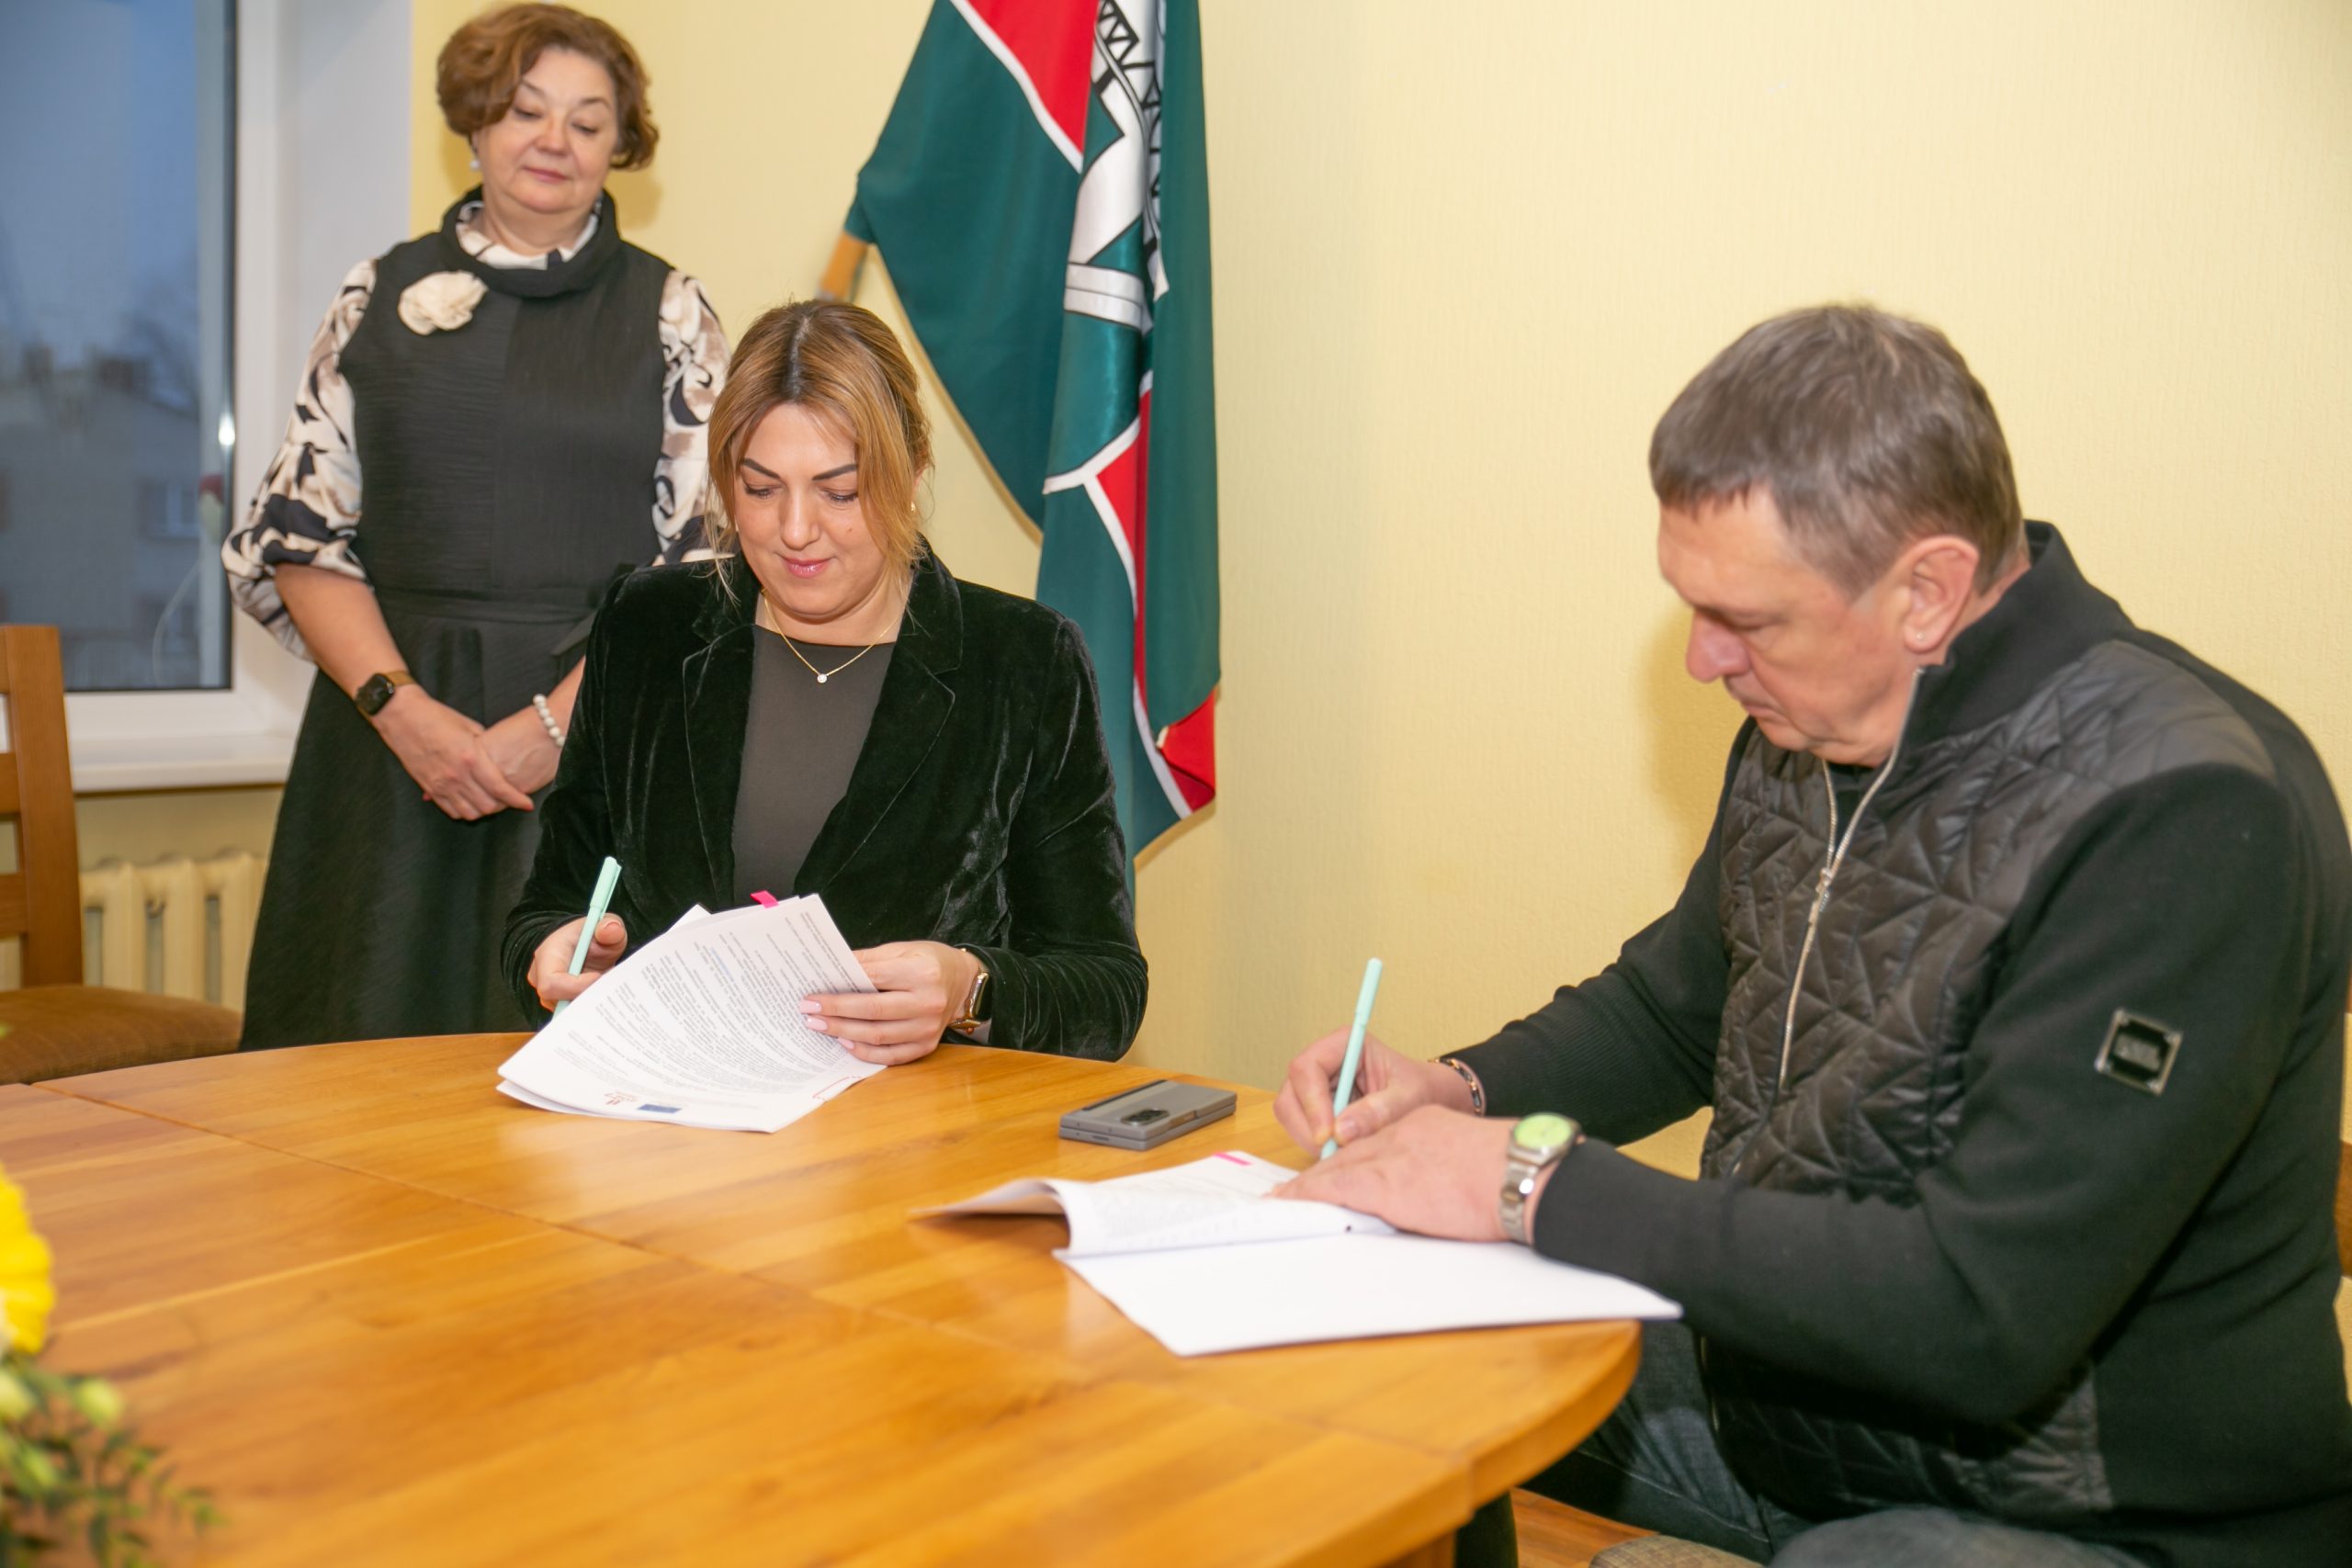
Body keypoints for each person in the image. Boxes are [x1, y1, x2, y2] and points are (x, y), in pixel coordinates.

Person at [1274, 306, 2352, 1566]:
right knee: (1401, 1348)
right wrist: (1458, 1090)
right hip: (1791, 1405)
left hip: (2100, 1514)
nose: (1701, 660)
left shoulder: (2185, 808)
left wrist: (1531, 1182)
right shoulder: (1812, 718)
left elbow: (1982, 1310)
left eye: (1748, 619)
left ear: (1926, 590)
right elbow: (1673, 1010)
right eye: (1691, 606)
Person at [222, 5, 729, 1049]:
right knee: (351, 1058)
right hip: (385, 744)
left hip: (594, 745)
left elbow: (705, 562)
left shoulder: (674, 312)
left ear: (620, 147)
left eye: (588, 121)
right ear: (474, 124)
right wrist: (403, 712)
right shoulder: (374, 293)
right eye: (525, 109)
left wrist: (554, 730)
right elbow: (300, 534)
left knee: (577, 1074)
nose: (554, 140)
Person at [501, 299, 1146, 1063]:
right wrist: (555, 954)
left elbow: (1106, 991)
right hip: (667, 1107)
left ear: (911, 475)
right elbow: (549, 909)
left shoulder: (1023, 661)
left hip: (907, 1124)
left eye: (839, 492)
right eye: (761, 489)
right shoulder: (648, 626)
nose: (796, 530)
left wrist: (970, 988)